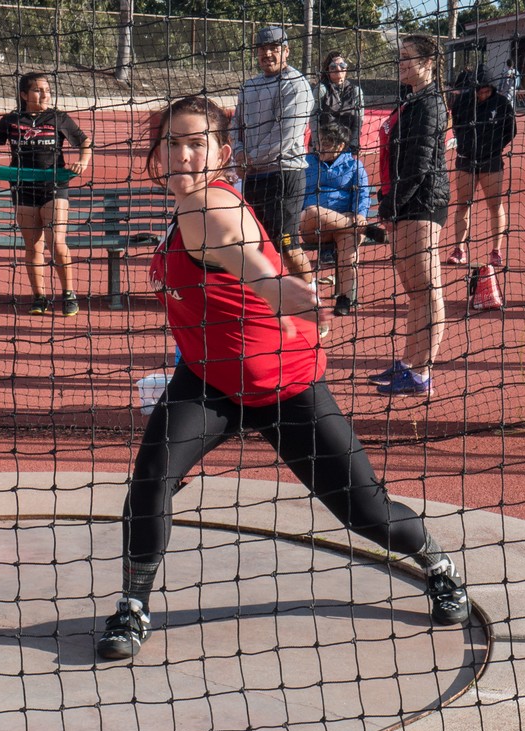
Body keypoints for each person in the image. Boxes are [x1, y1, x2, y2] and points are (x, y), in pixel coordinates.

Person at [95, 96, 471, 660]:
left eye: (197, 142)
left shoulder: (209, 210)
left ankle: (435, 561)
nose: (183, 153)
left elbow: (251, 264)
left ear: (221, 153)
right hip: (210, 383)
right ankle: (133, 607)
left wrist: (281, 292)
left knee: (364, 511)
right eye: (173, 141)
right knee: (150, 481)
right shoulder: (184, 210)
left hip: (284, 386)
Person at [367, 34, 450, 397]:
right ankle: (409, 363)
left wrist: (390, 206)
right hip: (406, 203)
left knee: (427, 288)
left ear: (429, 62)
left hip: (421, 203)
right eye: (398, 57)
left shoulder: (429, 104)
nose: (400, 63)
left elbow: (417, 168)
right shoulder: (412, 99)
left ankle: (422, 371)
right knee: (416, 292)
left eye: (407, 57)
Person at [0, 72, 91, 316]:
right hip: (23, 188)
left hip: (54, 186)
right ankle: (39, 297)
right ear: (24, 94)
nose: (44, 94)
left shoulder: (58, 118)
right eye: (37, 90)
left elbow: (85, 143)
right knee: (33, 247)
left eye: (47, 90)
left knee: (57, 242)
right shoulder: (12, 120)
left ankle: (68, 294)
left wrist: (82, 162)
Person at [232, 25, 314, 282]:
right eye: (262, 48)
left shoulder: (296, 85)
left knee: (287, 245)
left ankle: (313, 308)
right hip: (253, 177)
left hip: (284, 175)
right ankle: (270, 309)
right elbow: (236, 125)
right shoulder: (249, 86)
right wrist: (238, 152)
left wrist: (249, 158)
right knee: (254, 247)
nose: (267, 53)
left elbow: (285, 136)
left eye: (274, 48)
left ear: (286, 51)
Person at [447, 63, 516, 268]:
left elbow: (510, 131)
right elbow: (456, 125)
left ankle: (496, 250)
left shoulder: (502, 103)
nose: (484, 94)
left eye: (487, 90)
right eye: (480, 90)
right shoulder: (463, 101)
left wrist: (494, 148)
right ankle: (459, 249)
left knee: (495, 206)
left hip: (492, 161)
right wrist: (466, 145)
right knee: (462, 205)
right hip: (466, 160)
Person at [301, 121, 370, 316]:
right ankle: (359, 227)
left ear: (340, 146)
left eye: (327, 143)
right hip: (312, 226)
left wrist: (360, 214)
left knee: (348, 241)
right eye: (320, 142)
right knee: (314, 210)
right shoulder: (307, 163)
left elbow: (363, 194)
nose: (321, 147)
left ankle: (344, 298)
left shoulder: (354, 166)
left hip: (341, 229)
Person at [310, 49, 365, 153]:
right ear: (327, 70)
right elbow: (313, 118)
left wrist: (354, 143)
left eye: (342, 65)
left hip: (346, 146)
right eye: (333, 67)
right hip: (323, 146)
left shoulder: (356, 91)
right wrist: (316, 143)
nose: (338, 69)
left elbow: (359, 120)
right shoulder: (321, 89)